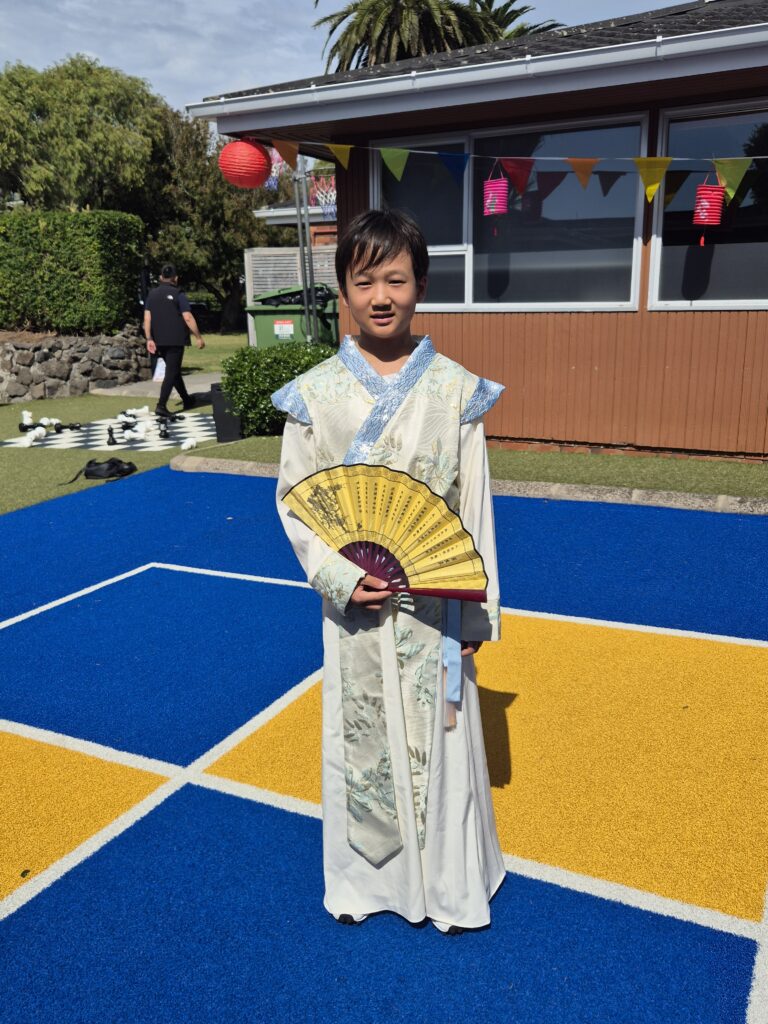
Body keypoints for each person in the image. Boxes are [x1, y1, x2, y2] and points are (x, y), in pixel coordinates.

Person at [271, 209, 505, 934]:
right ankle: (365, 886)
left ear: (421, 285)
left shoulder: (457, 391)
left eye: (396, 279)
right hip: (356, 609)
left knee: (444, 737)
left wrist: (473, 613)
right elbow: (295, 501)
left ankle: (451, 888)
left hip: (434, 608)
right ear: (343, 290)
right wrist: (337, 574)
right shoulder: (314, 395)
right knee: (363, 741)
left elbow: (475, 507)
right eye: (363, 279)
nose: (381, 295)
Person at [143, 263, 205, 417]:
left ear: (160, 277)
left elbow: (147, 317)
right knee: (171, 372)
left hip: (158, 340)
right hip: (175, 339)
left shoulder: (152, 294)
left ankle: (186, 399)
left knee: (174, 370)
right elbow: (188, 317)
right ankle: (161, 405)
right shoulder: (179, 294)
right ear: (175, 278)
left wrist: (149, 338)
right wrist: (198, 337)